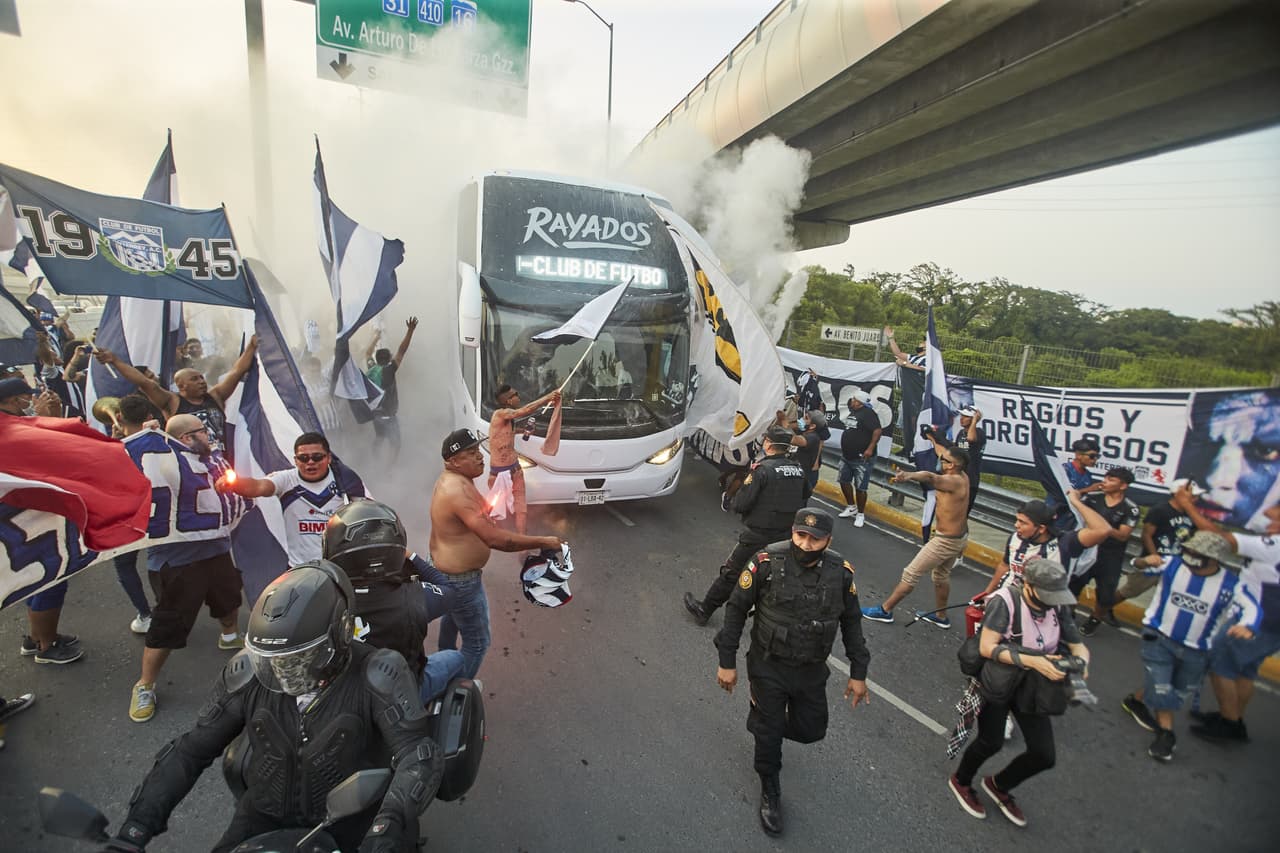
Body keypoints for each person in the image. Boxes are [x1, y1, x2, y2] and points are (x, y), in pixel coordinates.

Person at [97, 562, 443, 853]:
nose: (284, 672)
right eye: (273, 660)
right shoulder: (249, 672)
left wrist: (388, 825)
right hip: (263, 814)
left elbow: (417, 754)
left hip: (354, 823)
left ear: (339, 635)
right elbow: (190, 751)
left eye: (300, 658)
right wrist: (134, 830)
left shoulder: (379, 672)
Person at [714, 508, 870, 836]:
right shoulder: (766, 563)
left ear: (828, 540)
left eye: (815, 539)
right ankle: (770, 787)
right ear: (792, 532)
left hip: (811, 668)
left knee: (812, 729)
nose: (806, 544)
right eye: (801, 535)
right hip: (768, 665)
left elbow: (851, 621)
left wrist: (859, 671)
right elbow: (736, 609)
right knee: (770, 735)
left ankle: (763, 725)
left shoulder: (840, 573)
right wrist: (726, 661)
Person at [948, 557, 1090, 828]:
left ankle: (999, 784)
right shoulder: (1005, 601)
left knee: (1044, 754)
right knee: (991, 741)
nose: (1052, 601)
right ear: (1029, 585)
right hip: (999, 683)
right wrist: (1035, 661)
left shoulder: (1058, 605)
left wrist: (1081, 661)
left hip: (1034, 686)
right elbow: (988, 648)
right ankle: (962, 780)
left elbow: (1076, 644)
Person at [122, 413, 244, 723]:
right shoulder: (161, 460)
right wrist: (144, 438)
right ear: (187, 437)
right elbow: (128, 465)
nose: (210, 435)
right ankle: (145, 684)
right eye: (203, 431)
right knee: (169, 623)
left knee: (229, 598)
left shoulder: (209, 456)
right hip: (178, 561)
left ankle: (229, 635)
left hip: (217, 550)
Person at [429, 428, 563, 679]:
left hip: (446, 572)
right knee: (477, 642)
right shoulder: (456, 491)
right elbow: (494, 540)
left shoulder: (456, 480)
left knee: (453, 616)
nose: (480, 457)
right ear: (453, 461)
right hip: (460, 580)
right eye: (471, 453)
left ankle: (443, 660)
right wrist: (543, 541)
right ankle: (457, 690)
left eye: (478, 451)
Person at [1118, 531, 1259, 761]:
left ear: (1214, 559)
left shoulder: (1232, 584)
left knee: (1178, 690)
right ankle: (1166, 735)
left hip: (1197, 648)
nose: (1190, 557)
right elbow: (1137, 565)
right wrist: (1145, 560)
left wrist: (1248, 626)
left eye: (1197, 554)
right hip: (1158, 637)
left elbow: (1252, 608)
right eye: (1189, 551)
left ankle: (1135, 700)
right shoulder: (1172, 563)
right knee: (1163, 688)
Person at [323, 499, 465, 703]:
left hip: (345, 698)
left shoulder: (323, 596)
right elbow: (450, 590)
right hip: (401, 695)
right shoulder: (414, 597)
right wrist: (412, 557)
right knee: (455, 658)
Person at [1170, 486, 1280, 744]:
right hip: (1269, 620)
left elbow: (1217, 537)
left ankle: (1229, 724)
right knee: (1244, 671)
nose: (1269, 515)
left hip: (1259, 620)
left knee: (1220, 665)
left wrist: (1187, 505)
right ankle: (1233, 718)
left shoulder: (1274, 544)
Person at [684, 425, 808, 627]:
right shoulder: (798, 471)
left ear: (768, 444)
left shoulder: (762, 470)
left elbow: (741, 504)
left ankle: (704, 610)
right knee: (775, 576)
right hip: (785, 535)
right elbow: (805, 496)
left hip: (758, 535)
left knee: (731, 573)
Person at [2, 375, 84, 664]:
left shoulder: (13, 425)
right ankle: (46, 646)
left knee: (34, 577)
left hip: (24, 518)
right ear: (13, 401)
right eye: (28, 396)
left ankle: (37, 635)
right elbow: (52, 455)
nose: (33, 400)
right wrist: (47, 420)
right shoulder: (11, 430)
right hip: (26, 518)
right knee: (51, 575)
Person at [216, 432, 367, 566]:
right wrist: (234, 483)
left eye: (317, 457)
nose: (310, 462)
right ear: (295, 460)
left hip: (340, 566)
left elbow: (365, 514)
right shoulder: (286, 479)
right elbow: (258, 487)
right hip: (301, 569)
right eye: (303, 458)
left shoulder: (345, 480)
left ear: (328, 458)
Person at [862, 447, 971, 627]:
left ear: (952, 465)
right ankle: (941, 617)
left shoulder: (953, 481)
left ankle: (885, 610)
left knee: (911, 573)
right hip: (959, 538)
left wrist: (908, 476)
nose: (940, 460)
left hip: (945, 541)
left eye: (943, 459)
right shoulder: (963, 477)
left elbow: (930, 477)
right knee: (941, 576)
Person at [94, 334, 259, 451]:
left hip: (222, 460)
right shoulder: (172, 402)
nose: (201, 381)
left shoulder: (215, 396)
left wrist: (251, 346)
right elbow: (143, 382)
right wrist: (115, 361)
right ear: (181, 386)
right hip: (190, 465)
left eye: (201, 378)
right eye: (194, 379)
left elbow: (237, 372)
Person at [975, 494, 1115, 599]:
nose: (1016, 525)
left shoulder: (1065, 543)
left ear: (1041, 528)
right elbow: (1005, 565)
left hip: (1043, 609)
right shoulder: (1015, 538)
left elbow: (1103, 530)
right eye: (1017, 520)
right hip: (1008, 601)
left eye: (1023, 522)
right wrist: (989, 592)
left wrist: (1076, 502)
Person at [1070, 467, 1140, 636]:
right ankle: (1068, 615)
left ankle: (1095, 620)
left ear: (1123, 486)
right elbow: (1074, 505)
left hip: (1110, 556)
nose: (1105, 482)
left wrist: (1103, 529)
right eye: (1105, 478)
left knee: (1106, 594)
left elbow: (1123, 535)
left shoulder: (1130, 508)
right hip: (1086, 550)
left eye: (1111, 480)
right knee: (1073, 585)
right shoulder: (1092, 499)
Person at [487, 383, 561, 535]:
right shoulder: (500, 414)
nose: (518, 397)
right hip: (498, 474)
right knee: (494, 508)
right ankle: (495, 536)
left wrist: (524, 431)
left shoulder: (508, 419)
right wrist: (547, 398)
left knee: (521, 507)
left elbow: (509, 433)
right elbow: (525, 410)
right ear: (508, 400)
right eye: (515, 394)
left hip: (515, 469)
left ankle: (522, 539)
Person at [365, 317, 418, 462]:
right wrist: (410, 331)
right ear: (389, 359)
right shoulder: (389, 370)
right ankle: (390, 467)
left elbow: (368, 353)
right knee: (396, 444)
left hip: (376, 415)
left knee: (380, 437)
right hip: (389, 416)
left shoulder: (372, 368)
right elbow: (402, 350)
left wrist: (376, 337)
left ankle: (375, 459)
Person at [836, 390, 882, 527]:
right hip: (847, 456)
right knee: (843, 481)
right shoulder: (854, 411)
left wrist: (870, 448)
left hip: (861, 458)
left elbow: (877, 430)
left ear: (860, 402)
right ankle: (851, 506)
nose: (852, 401)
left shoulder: (869, 414)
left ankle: (861, 514)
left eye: (854, 399)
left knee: (860, 487)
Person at [794, 410, 829, 494]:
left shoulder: (813, 437)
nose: (801, 419)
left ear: (813, 426)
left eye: (805, 418)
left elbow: (797, 441)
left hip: (806, 475)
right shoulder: (803, 431)